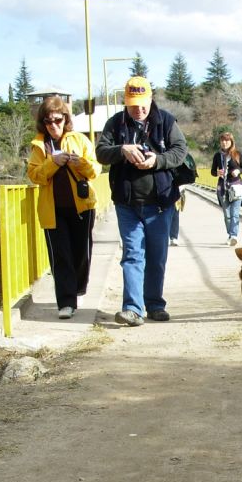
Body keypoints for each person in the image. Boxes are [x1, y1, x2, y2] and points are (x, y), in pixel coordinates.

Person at [96, 76, 187, 326]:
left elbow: (180, 151)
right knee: (133, 254)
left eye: (143, 103)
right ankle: (132, 309)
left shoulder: (166, 120)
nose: (140, 109)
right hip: (127, 202)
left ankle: (155, 304)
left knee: (157, 256)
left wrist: (156, 161)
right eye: (134, 104)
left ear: (150, 98)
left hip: (160, 202)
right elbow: (101, 153)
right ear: (126, 103)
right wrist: (122, 150)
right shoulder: (115, 124)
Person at [27, 96, 100, 319]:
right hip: (53, 210)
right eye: (48, 122)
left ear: (65, 119)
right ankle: (66, 302)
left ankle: (77, 288)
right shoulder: (39, 146)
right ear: (43, 123)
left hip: (82, 207)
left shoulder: (80, 140)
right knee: (61, 256)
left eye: (58, 120)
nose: (53, 126)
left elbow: (96, 170)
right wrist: (52, 163)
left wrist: (81, 163)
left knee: (81, 254)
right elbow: (34, 176)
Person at [211, 132, 242, 246]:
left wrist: (238, 171)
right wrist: (217, 172)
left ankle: (234, 235)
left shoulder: (237, 154)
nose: (224, 143)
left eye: (227, 140)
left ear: (231, 142)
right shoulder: (217, 156)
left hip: (236, 187)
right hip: (223, 188)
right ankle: (230, 235)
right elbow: (212, 172)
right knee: (227, 215)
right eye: (222, 140)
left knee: (235, 213)